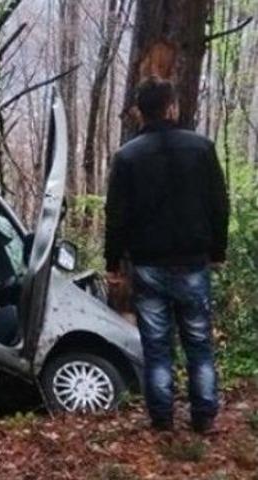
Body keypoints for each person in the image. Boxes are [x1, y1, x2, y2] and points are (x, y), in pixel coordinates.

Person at [104, 77, 229, 434]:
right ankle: (204, 417)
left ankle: (162, 419)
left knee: (157, 346)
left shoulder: (127, 157)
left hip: (148, 264)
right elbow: (219, 205)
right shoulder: (201, 148)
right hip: (193, 261)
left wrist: (113, 262)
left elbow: (117, 216)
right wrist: (217, 251)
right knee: (199, 344)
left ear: (139, 112)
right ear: (171, 107)